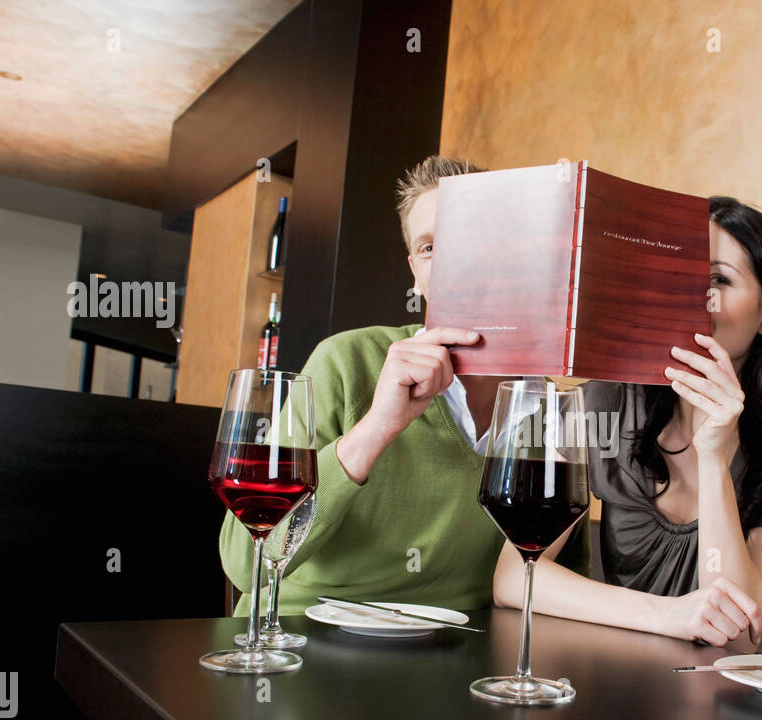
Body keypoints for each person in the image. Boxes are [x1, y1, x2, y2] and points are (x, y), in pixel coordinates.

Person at [219, 155, 590, 616]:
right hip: (303, 642)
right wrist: (377, 427)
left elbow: (551, 582)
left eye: (471, 236)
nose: (452, 259)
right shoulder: (344, 360)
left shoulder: (553, 407)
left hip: (458, 657)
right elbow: (245, 560)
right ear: (415, 268)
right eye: (431, 247)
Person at [492, 196, 762, 653]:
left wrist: (713, 459)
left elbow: (742, 634)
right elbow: (513, 578)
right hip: (643, 674)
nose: (692, 297)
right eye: (681, 278)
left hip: (756, 690)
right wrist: (663, 616)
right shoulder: (599, 407)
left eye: (719, 279)